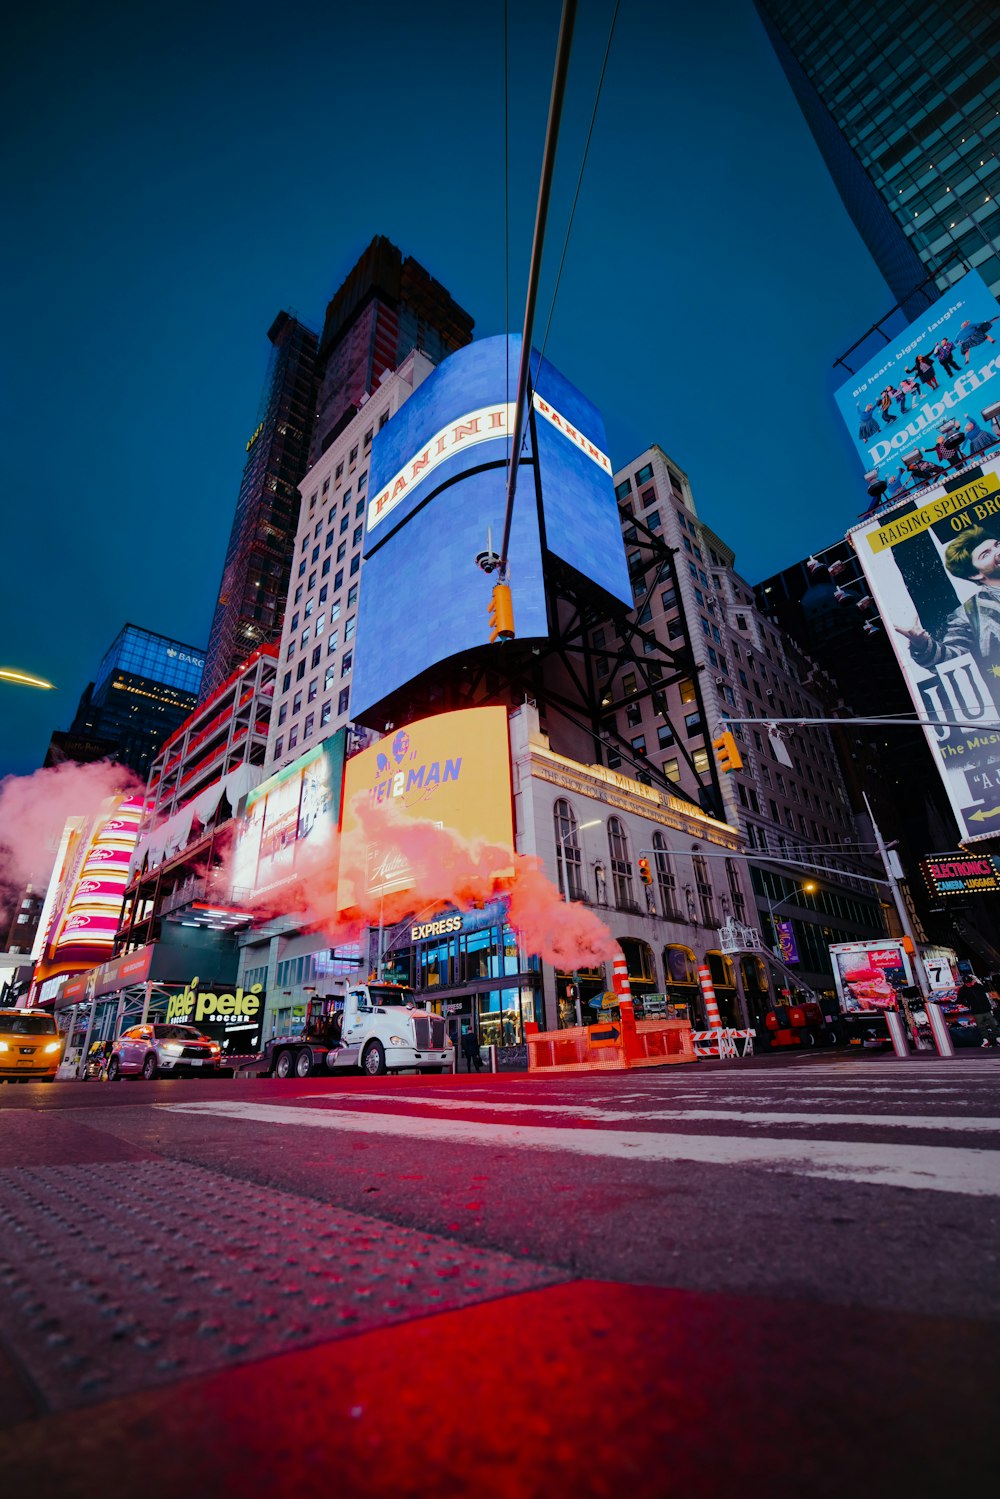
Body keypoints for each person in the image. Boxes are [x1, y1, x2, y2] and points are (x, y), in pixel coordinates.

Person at [896, 527, 1000, 685]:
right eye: (986, 554)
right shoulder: (968, 614)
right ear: (975, 574)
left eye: (997, 545)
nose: (998, 552)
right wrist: (922, 645)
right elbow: (952, 658)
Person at [958, 974, 999, 1048]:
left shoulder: (977, 986)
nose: (969, 984)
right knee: (981, 1026)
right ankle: (986, 1040)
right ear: (964, 983)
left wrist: (976, 984)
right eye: (967, 983)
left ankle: (997, 1038)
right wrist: (968, 1004)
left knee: (992, 1024)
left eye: (969, 982)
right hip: (976, 1011)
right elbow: (959, 999)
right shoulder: (962, 990)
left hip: (986, 1009)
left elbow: (986, 989)